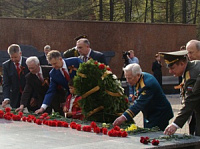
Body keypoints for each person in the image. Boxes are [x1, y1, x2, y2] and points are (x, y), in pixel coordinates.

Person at [113, 63, 173, 131]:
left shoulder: (148, 85)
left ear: (138, 75)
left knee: (154, 136)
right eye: (126, 77)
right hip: (149, 113)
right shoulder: (139, 77)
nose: (127, 81)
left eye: (129, 78)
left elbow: (138, 104)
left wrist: (124, 117)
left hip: (159, 114)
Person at [160, 50, 200, 136]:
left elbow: (190, 101)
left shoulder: (192, 75)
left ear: (182, 64)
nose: (170, 71)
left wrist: (175, 125)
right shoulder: (193, 66)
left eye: (172, 68)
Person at [35, 50, 82, 114]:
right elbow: (51, 91)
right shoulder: (53, 74)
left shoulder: (75, 61)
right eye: (51, 64)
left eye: (55, 63)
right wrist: (43, 107)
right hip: (72, 98)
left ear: (60, 59)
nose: (53, 66)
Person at [2, 44, 29, 108]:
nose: (13, 59)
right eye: (11, 57)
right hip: (15, 96)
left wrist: (34, 96)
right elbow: (6, 83)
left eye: (15, 57)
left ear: (20, 53)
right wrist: (6, 98)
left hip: (29, 95)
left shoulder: (28, 62)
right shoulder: (6, 65)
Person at [185, 40, 200, 135]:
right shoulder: (190, 68)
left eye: (191, 52)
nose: (189, 56)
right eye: (187, 53)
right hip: (192, 113)